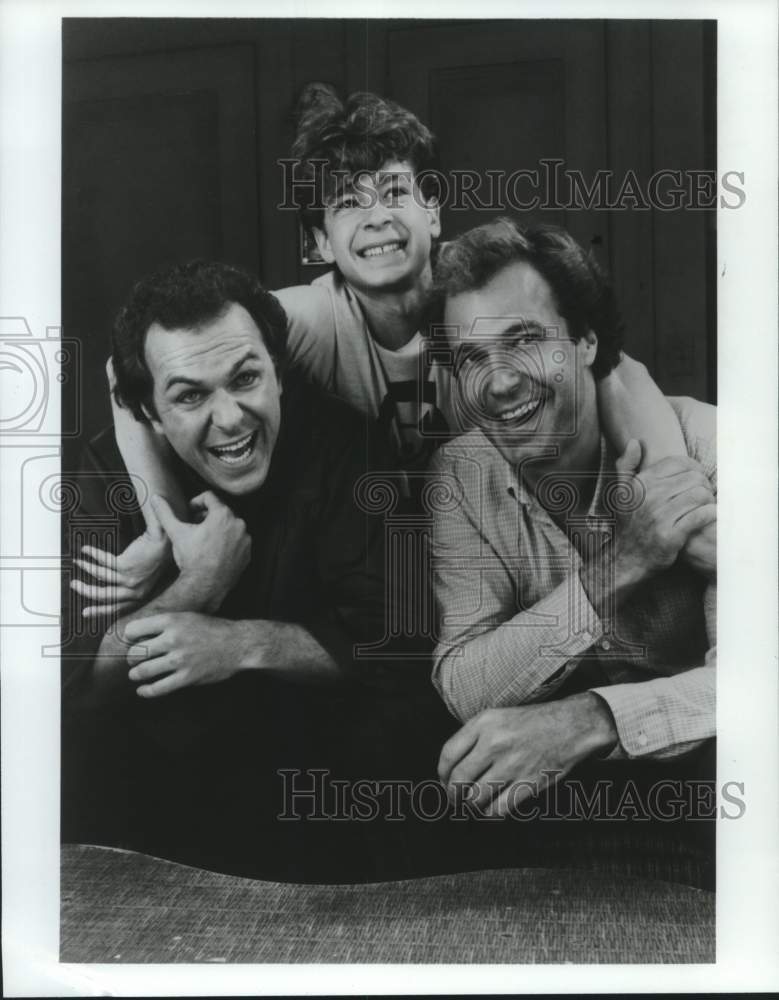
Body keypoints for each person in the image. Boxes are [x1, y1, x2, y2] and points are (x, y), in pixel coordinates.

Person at [83, 85, 691, 613]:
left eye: (395, 192)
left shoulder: (477, 306)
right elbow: (129, 366)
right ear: (320, 242)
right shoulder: (306, 318)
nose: (375, 217)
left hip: (503, 556)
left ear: (433, 212)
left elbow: (607, 363)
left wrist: (679, 501)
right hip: (377, 569)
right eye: (348, 202)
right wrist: (167, 526)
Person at [62, 259, 452, 881]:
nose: (231, 418)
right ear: (152, 416)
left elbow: (398, 646)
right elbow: (77, 688)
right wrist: (202, 583)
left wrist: (241, 643)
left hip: (316, 776)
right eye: (190, 395)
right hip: (163, 793)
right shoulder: (107, 472)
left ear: (279, 375)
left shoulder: (345, 446)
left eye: (246, 378)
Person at [428, 219, 716, 834]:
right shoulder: (460, 475)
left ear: (586, 340)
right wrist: (626, 561)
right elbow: (465, 686)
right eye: (472, 357)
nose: (499, 382)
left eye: (525, 340)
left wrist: (593, 719)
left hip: (719, 798)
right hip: (560, 810)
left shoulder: (705, 445)